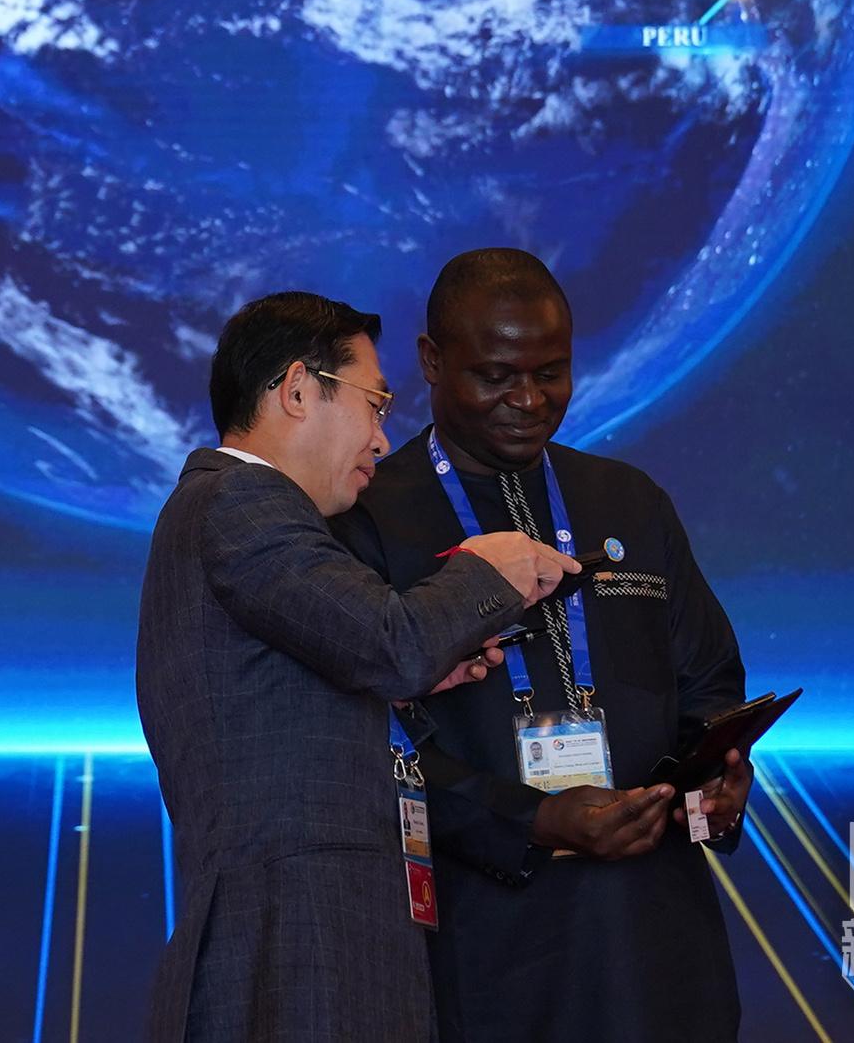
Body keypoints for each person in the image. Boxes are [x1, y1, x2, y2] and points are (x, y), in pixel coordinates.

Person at [137, 290, 577, 1042]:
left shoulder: (231, 510)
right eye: (374, 404)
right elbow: (390, 643)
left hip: (313, 940)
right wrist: (490, 569)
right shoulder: (242, 500)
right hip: (297, 946)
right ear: (298, 390)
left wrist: (419, 676)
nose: (381, 439)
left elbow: (335, 671)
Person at [338, 249, 752, 1043]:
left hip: (655, 939)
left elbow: (708, 682)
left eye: (550, 374)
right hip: (478, 941)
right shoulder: (368, 517)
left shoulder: (628, 500)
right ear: (431, 361)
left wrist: (715, 781)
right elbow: (361, 744)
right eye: (495, 376)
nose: (528, 400)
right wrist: (533, 820)